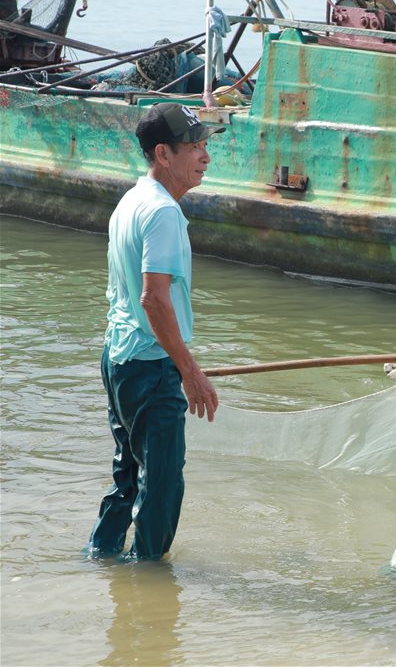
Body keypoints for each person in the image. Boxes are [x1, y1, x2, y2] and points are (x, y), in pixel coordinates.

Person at [87, 103, 224, 560]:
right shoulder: (163, 212)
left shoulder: (131, 200)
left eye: (205, 145)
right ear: (163, 154)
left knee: (128, 473)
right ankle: (147, 579)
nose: (205, 156)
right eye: (194, 147)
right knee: (161, 483)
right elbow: (153, 299)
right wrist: (190, 372)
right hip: (149, 365)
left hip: (119, 357)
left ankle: (102, 556)